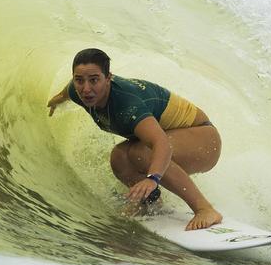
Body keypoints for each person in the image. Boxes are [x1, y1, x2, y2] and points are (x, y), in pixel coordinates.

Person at [47, 48, 222, 231]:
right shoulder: (78, 91)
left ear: (108, 78)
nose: (86, 88)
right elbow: (65, 93)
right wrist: (55, 101)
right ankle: (148, 201)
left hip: (203, 139)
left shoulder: (126, 103)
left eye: (94, 80)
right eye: (79, 80)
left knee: (142, 152)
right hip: (177, 137)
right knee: (119, 157)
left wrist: (152, 178)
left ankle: (205, 209)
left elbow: (161, 144)